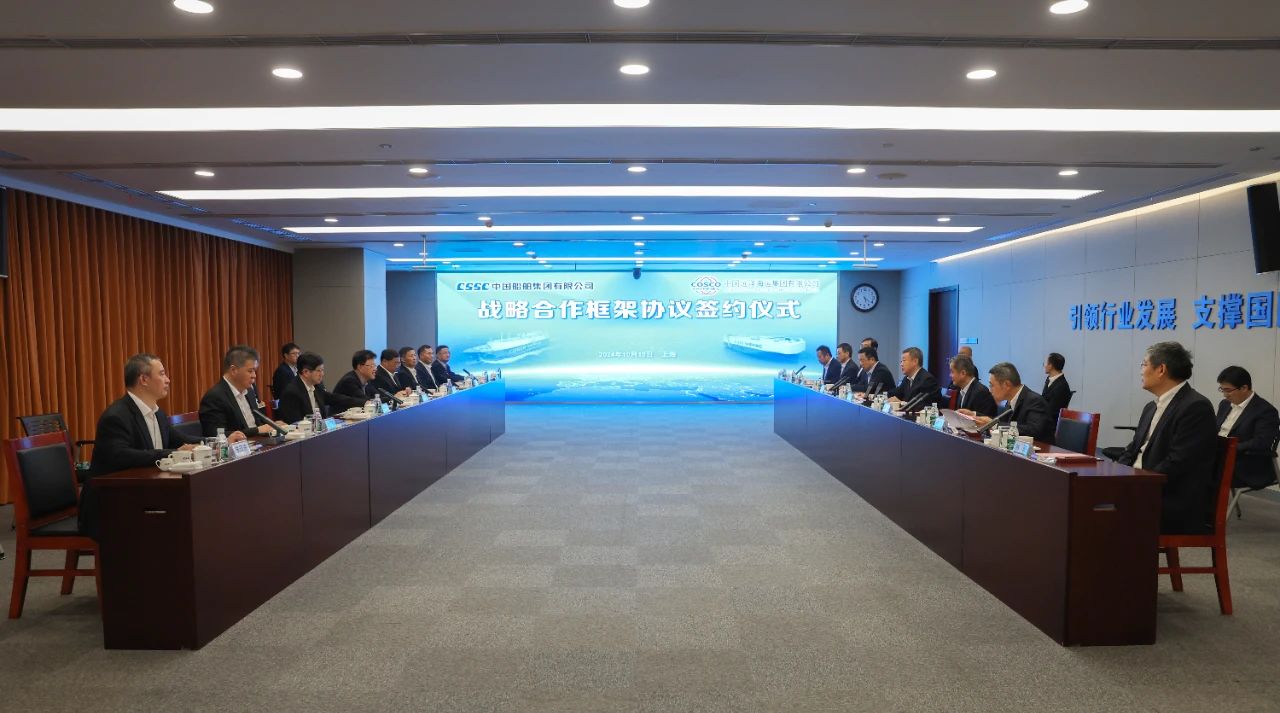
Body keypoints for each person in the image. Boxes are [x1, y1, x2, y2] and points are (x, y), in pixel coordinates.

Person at [82, 354, 230, 539]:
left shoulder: (157, 414)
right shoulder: (116, 416)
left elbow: (182, 440)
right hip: (112, 503)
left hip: (147, 493)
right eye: (161, 374)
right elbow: (121, 456)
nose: (168, 380)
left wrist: (219, 441)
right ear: (144, 380)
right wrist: (173, 453)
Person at [1116, 342, 1219, 534]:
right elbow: (1132, 449)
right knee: (1084, 500)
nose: (1140, 371)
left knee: (1093, 512)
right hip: (1144, 486)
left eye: (1144, 364)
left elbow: (1178, 462)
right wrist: (1116, 474)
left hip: (1171, 498)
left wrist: (1138, 483)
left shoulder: (1196, 407)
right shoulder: (1151, 407)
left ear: (1161, 369)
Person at [199, 345, 286, 438]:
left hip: (260, 442)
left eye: (255, 371)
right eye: (250, 371)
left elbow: (258, 423)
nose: (254, 375)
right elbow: (216, 435)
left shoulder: (250, 391)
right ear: (233, 370)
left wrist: (273, 425)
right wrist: (257, 430)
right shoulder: (214, 397)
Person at [1215, 366, 1280, 490]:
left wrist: (1229, 448)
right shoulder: (1224, 404)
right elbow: (1216, 430)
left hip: (1245, 462)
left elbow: (1261, 442)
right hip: (1219, 455)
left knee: (1198, 470)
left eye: (1228, 390)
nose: (1225, 395)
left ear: (1244, 388)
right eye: (1222, 390)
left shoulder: (1265, 411)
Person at [972, 362, 1054, 442]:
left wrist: (995, 425)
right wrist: (975, 415)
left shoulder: (1035, 401)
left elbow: (1034, 431)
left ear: (1007, 385)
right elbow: (1003, 423)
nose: (990, 390)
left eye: (992, 385)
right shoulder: (1010, 401)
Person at [276, 352, 334, 423]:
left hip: (319, 427)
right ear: (306, 372)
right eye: (318, 370)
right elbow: (296, 423)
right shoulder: (291, 393)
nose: (322, 374)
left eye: (322, 370)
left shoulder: (317, 386)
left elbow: (333, 399)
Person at [1043, 352, 1072, 427]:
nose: (1044, 366)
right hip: (1045, 421)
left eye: (1045, 363)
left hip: (1050, 425)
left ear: (1051, 366)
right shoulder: (1049, 379)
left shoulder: (1062, 386)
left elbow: (1051, 411)